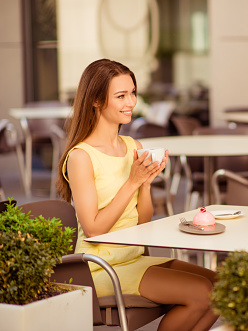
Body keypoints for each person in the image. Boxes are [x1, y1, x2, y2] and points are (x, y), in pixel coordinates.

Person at [56, 59, 219, 330]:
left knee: (222, 286)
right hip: (100, 266)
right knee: (202, 292)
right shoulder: (81, 157)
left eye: (132, 92)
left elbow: (143, 222)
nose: (130, 102)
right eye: (120, 96)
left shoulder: (133, 146)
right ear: (96, 101)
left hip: (133, 257)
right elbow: (94, 230)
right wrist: (132, 182)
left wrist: (145, 183)